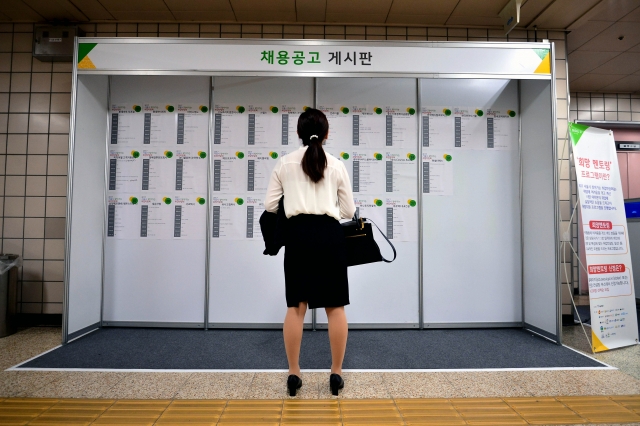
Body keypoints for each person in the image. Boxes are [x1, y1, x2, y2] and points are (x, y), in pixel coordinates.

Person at [264, 108, 356, 397]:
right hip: (330, 236)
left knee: (296, 306)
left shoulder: (285, 163)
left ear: (298, 133)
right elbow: (349, 211)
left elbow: (269, 206)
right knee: (335, 306)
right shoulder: (336, 164)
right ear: (327, 134)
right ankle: (336, 373)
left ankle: (294, 373)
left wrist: (294, 205)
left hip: (298, 237)